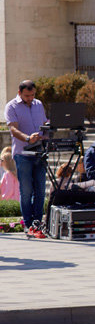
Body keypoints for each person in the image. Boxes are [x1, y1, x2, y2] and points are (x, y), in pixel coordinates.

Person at [4, 80, 47, 234]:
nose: (30, 98)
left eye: (33, 95)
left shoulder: (38, 104)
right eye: (27, 95)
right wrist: (28, 138)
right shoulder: (11, 106)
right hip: (22, 154)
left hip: (39, 153)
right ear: (19, 92)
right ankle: (28, 224)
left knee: (41, 190)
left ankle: (38, 223)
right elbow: (13, 130)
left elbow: (44, 122)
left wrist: (49, 127)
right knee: (26, 190)